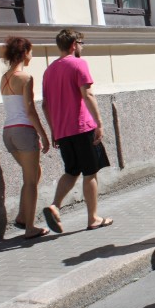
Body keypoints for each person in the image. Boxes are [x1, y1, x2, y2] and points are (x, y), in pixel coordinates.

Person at [41, 29, 112, 232]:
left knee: (71, 171)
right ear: (73, 44)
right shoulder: (79, 64)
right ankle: (93, 218)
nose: (82, 47)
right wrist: (99, 123)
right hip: (82, 127)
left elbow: (45, 105)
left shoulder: (49, 71)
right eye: (81, 43)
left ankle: (55, 205)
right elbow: (87, 94)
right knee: (90, 172)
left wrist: (54, 131)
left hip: (63, 131)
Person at [0, 37, 50, 239]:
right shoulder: (25, 77)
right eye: (31, 51)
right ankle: (30, 227)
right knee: (30, 180)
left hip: (8, 132)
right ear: (24, 52)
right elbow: (30, 111)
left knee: (34, 172)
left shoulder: (4, 77)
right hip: (23, 131)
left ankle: (22, 216)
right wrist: (44, 136)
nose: (32, 55)